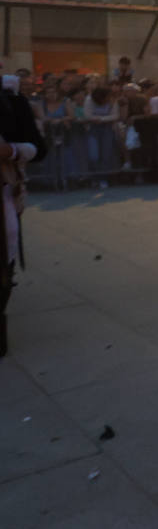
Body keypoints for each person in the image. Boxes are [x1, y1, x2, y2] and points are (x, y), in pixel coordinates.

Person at [0, 74, 46, 356]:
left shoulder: (12, 102)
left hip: (3, 191)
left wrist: (11, 150)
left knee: (5, 251)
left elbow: (37, 148)